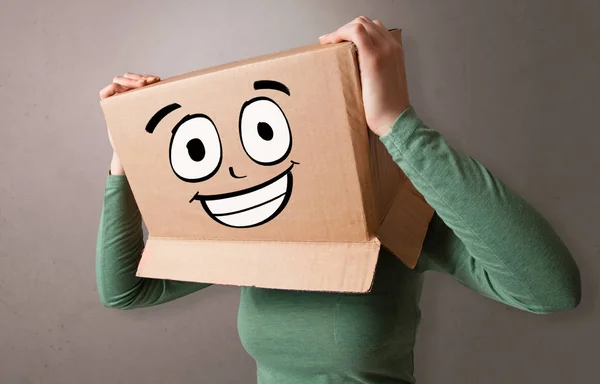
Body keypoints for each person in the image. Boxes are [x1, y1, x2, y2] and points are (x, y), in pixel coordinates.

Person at [97, 17, 581, 384]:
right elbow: (127, 291)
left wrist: (396, 122)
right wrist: (129, 158)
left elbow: (550, 291)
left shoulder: (396, 221)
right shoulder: (257, 230)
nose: (241, 169)